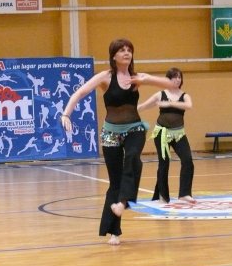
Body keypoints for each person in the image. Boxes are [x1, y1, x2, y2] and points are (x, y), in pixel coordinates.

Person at [61, 38, 175, 245]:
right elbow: (80, 92)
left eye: (129, 50)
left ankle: (123, 203)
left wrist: (149, 79)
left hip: (134, 129)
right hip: (111, 132)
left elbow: (170, 84)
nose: (126, 53)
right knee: (115, 182)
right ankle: (115, 231)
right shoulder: (105, 77)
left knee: (133, 159)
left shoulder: (136, 77)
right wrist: (66, 115)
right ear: (113, 55)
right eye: (122, 50)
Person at [138, 67, 195, 204]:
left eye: (179, 77)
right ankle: (163, 195)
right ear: (168, 79)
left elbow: (189, 106)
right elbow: (144, 106)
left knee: (188, 161)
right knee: (164, 163)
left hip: (179, 134)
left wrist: (169, 103)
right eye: (174, 77)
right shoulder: (160, 94)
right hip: (162, 133)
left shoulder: (185, 96)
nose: (177, 79)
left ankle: (184, 194)